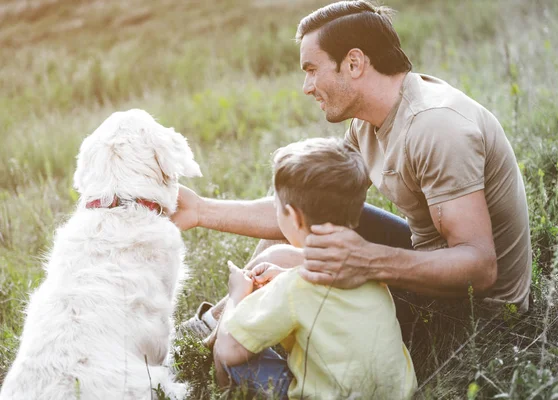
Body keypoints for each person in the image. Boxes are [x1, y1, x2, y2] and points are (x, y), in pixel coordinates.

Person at [173, 0, 532, 357]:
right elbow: (301, 206)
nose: (306, 86)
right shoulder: (367, 121)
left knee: (287, 263)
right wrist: (201, 210)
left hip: (475, 316)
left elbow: (481, 268)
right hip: (427, 265)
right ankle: (209, 330)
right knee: (303, 220)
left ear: (355, 63)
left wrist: (367, 261)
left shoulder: (436, 127)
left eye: (312, 69)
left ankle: (219, 346)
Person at [212, 137, 417, 399]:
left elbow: (229, 350)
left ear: (294, 217)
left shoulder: (293, 289)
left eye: (276, 206)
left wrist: (236, 295)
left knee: (232, 358)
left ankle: (220, 393)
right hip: (400, 394)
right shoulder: (371, 269)